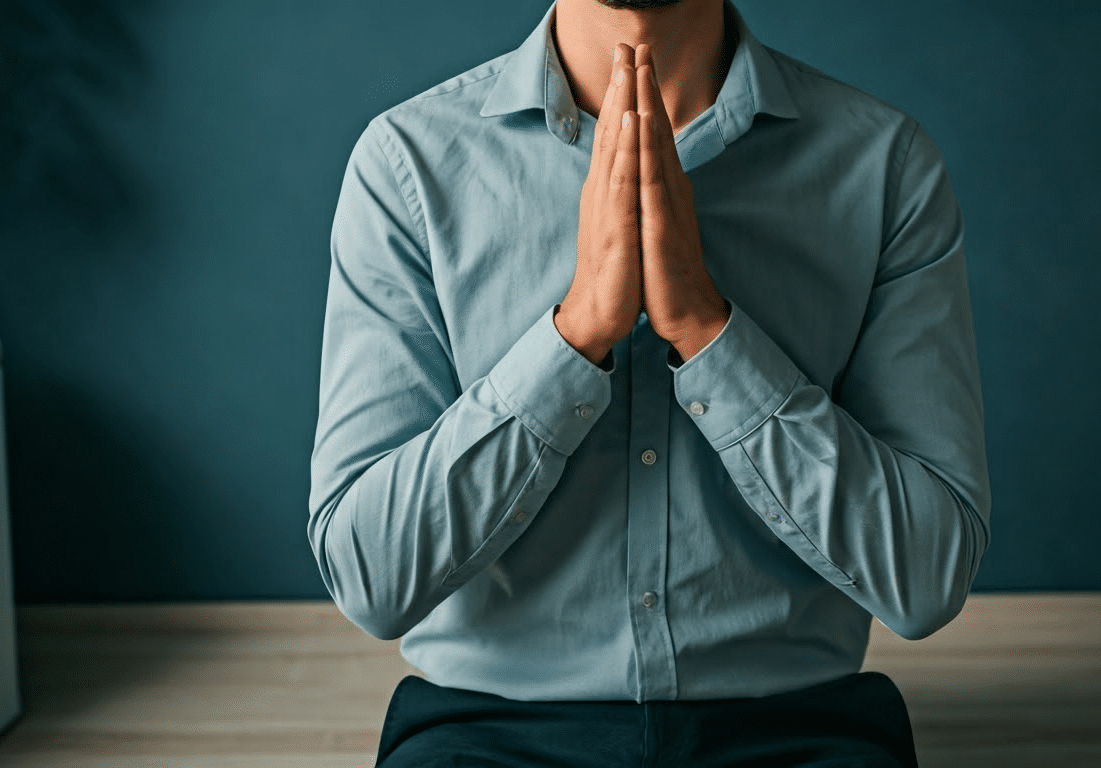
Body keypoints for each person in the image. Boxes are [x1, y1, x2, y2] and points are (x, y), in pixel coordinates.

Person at [308, 0, 991, 764]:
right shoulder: (409, 165)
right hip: (485, 732)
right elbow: (370, 577)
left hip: (797, 727)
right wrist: (576, 336)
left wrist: (708, 328)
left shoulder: (883, 166)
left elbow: (927, 578)